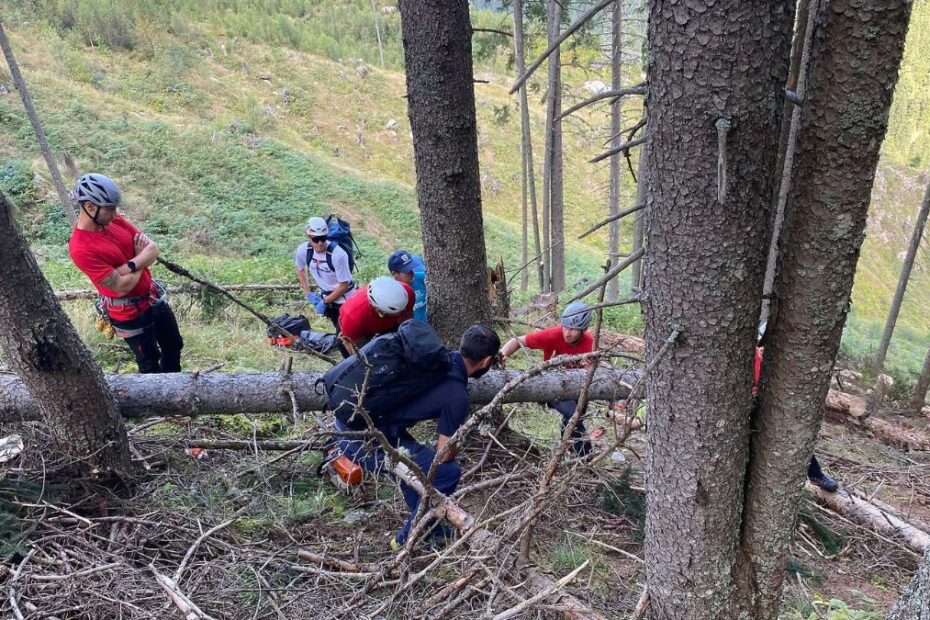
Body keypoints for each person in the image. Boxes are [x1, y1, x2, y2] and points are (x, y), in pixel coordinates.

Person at [333, 324, 501, 549]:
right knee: (447, 472)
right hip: (363, 441)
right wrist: (460, 436)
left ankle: (429, 525)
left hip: (348, 423)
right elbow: (444, 455)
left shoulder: (434, 359)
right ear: (486, 361)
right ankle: (406, 540)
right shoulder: (456, 394)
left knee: (413, 462)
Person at [68, 173, 183, 373]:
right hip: (128, 313)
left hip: (152, 298)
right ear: (90, 207)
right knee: (149, 362)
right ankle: (156, 402)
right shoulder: (81, 248)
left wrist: (127, 268)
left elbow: (153, 249)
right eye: (110, 209)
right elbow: (121, 287)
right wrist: (140, 258)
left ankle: (174, 391)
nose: (115, 214)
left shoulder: (115, 222)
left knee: (174, 345)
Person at [498, 301, 594, 455]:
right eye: (565, 327)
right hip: (552, 386)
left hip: (577, 386)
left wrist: (591, 368)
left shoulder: (590, 342)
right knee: (573, 417)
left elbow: (594, 369)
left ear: (584, 329)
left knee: (574, 418)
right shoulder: (552, 335)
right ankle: (585, 458)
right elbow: (517, 341)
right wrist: (502, 354)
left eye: (573, 330)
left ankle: (569, 449)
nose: (567, 333)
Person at [754, 321, 839, 492]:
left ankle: (815, 473)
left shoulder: (765, 358)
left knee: (793, 433)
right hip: (749, 405)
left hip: (765, 401)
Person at [294, 216, 356, 335]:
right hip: (327, 299)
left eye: (323, 238)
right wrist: (308, 292)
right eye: (316, 239)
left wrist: (325, 301)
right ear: (308, 237)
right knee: (339, 330)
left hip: (345, 299)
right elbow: (300, 269)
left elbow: (344, 285)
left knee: (345, 336)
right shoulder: (303, 250)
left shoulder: (338, 254)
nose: (320, 243)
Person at [338, 276, 415, 353]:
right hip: (360, 332)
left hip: (388, 324)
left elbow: (407, 321)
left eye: (403, 308)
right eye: (398, 311)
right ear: (379, 310)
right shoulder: (353, 317)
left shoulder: (407, 292)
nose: (402, 312)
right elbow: (357, 351)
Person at [388, 250, 427, 323]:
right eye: (406, 272)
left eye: (411, 268)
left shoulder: (422, 278)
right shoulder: (391, 293)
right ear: (394, 274)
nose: (412, 273)